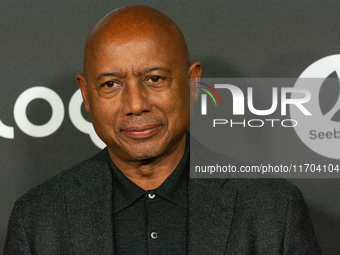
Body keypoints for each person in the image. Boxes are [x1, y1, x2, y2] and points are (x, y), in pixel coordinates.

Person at [4, 5, 321, 254]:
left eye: (154, 79)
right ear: (87, 95)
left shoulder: (275, 210)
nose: (136, 104)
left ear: (192, 82)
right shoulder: (38, 219)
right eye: (111, 84)